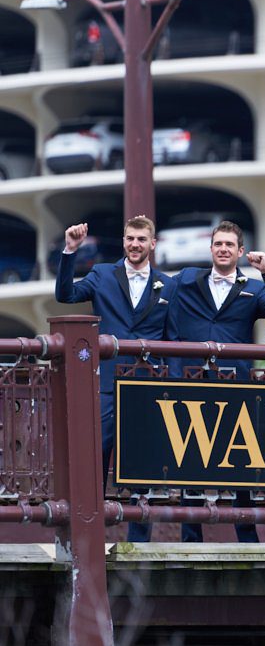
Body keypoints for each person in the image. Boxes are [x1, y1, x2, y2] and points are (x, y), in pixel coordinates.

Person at [166, 220, 265, 544]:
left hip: (235, 383)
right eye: (218, 244)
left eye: (229, 245)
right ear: (211, 249)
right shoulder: (186, 280)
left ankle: (247, 538)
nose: (223, 249)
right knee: (189, 458)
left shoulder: (255, 287)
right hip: (192, 382)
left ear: (240, 251)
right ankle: (190, 540)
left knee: (240, 460)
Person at [55, 215, 175, 543]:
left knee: (142, 466)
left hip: (147, 386)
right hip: (106, 383)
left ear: (153, 244)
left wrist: (172, 384)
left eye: (141, 239)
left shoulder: (169, 285)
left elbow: (174, 338)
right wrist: (70, 251)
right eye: (129, 238)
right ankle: (90, 539)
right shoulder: (102, 274)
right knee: (97, 461)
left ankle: (139, 543)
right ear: (124, 241)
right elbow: (65, 295)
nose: (134, 244)